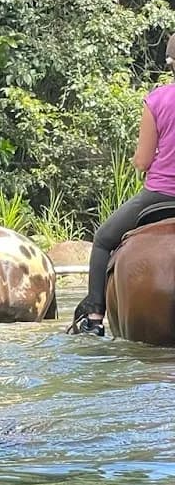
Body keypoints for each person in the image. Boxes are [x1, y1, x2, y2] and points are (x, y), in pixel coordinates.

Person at [69, 33, 175, 336]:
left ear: (169, 65)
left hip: (158, 196)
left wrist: (140, 159)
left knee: (102, 240)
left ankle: (94, 315)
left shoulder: (157, 99)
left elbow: (142, 162)